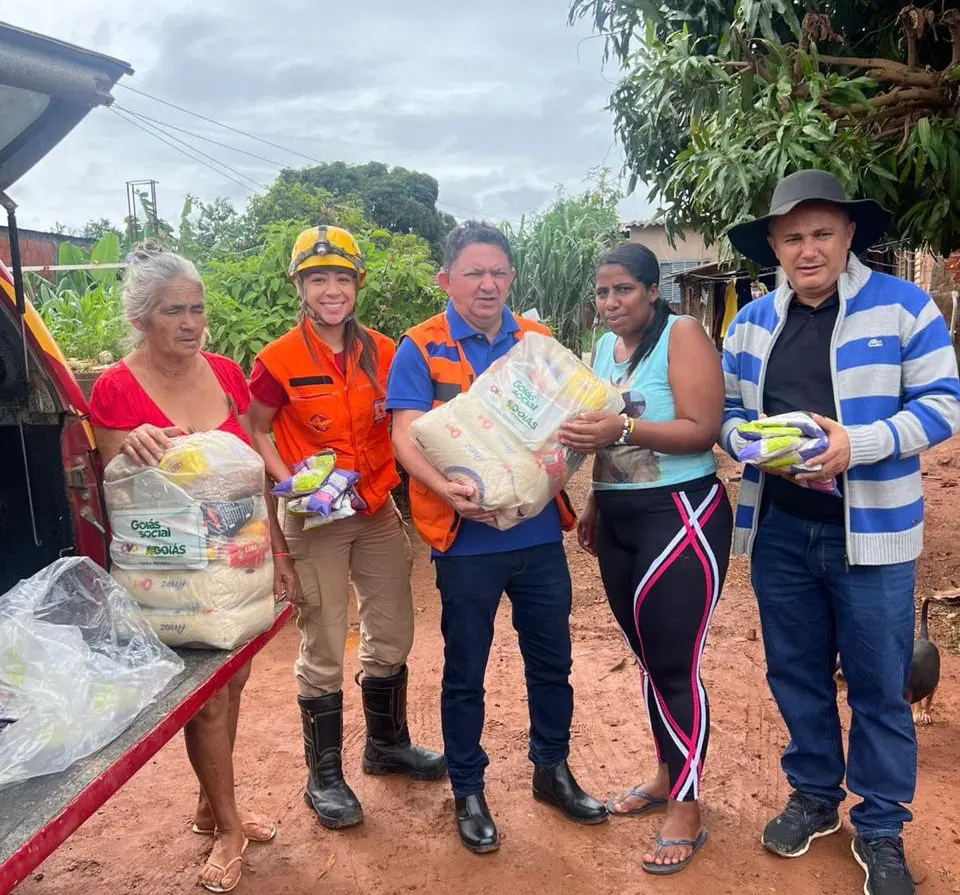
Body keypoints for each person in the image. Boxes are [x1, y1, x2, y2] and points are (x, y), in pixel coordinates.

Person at [721, 170, 960, 895]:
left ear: (850, 235)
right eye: (792, 236)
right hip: (783, 531)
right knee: (794, 672)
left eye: (822, 232)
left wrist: (854, 443)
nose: (808, 248)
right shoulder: (751, 323)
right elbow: (729, 417)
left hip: (874, 535)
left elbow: (944, 405)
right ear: (773, 244)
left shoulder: (904, 308)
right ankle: (816, 796)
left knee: (879, 683)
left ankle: (882, 826)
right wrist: (761, 446)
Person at [387, 220, 607, 855]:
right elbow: (406, 435)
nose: (487, 284)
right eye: (473, 273)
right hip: (465, 541)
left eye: (498, 272)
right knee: (465, 671)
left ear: (511, 277)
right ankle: (468, 789)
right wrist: (442, 487)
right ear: (446, 280)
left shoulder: (535, 342)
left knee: (552, 662)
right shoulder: (420, 347)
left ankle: (552, 770)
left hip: (537, 538)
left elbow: (576, 417)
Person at [90, 244, 277, 894]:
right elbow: (119, 487)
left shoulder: (226, 373)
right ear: (143, 317)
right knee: (208, 703)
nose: (190, 322)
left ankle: (208, 803)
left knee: (239, 680)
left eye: (197, 309)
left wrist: (275, 554)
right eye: (174, 310)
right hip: (174, 581)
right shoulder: (115, 386)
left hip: (240, 569)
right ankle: (226, 827)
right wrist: (134, 449)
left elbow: (250, 467)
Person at [247, 225, 446, 831]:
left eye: (340, 277)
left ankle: (386, 747)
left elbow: (410, 420)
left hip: (377, 509)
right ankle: (324, 776)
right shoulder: (276, 361)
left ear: (357, 283)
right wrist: (290, 484)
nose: (330, 290)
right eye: (317, 279)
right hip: (314, 517)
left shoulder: (386, 351)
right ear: (300, 287)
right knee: (325, 640)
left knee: (393, 630)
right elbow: (256, 429)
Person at [558, 243, 732, 875]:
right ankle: (667, 772)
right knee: (648, 657)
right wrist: (596, 504)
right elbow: (606, 436)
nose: (610, 304)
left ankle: (687, 805)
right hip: (622, 516)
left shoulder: (682, 335)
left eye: (624, 290)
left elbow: (702, 428)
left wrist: (623, 432)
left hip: (681, 514)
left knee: (675, 661)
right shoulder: (605, 350)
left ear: (653, 291)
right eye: (602, 293)